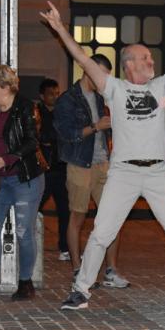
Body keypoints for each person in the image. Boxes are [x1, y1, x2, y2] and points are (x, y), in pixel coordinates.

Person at [41, 0, 165, 310]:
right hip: (123, 173)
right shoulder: (113, 88)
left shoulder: (163, 86)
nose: (151, 60)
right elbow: (81, 57)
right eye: (145, 57)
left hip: (159, 173)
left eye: (150, 56)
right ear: (129, 64)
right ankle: (81, 290)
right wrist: (59, 28)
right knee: (101, 233)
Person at [53, 54, 129, 288]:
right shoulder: (68, 99)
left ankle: (111, 270)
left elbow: (109, 130)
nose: (104, 80)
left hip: (103, 164)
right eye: (101, 74)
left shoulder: (100, 98)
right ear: (88, 70)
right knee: (77, 216)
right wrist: (96, 126)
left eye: (107, 76)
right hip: (79, 165)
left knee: (112, 218)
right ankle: (78, 268)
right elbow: (66, 134)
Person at [0, 64, 45, 301]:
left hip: (25, 179)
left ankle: (26, 283)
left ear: (5, 87)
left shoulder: (26, 107)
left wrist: (5, 159)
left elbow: (32, 142)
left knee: (24, 232)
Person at [36, 78, 71, 262]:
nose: (55, 97)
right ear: (42, 96)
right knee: (34, 207)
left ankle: (65, 247)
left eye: (57, 94)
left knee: (65, 210)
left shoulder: (62, 113)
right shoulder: (36, 113)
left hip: (61, 167)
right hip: (43, 169)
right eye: (51, 94)